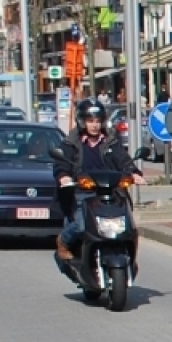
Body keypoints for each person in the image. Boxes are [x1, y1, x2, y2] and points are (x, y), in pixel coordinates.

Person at [53, 99, 145, 265]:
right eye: (90, 121)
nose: (94, 125)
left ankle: (129, 257)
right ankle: (64, 241)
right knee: (82, 225)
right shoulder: (71, 143)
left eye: (97, 121)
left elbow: (123, 160)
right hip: (82, 193)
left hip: (110, 192)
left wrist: (134, 173)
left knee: (127, 226)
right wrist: (64, 176)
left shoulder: (110, 141)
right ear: (82, 122)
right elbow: (62, 164)